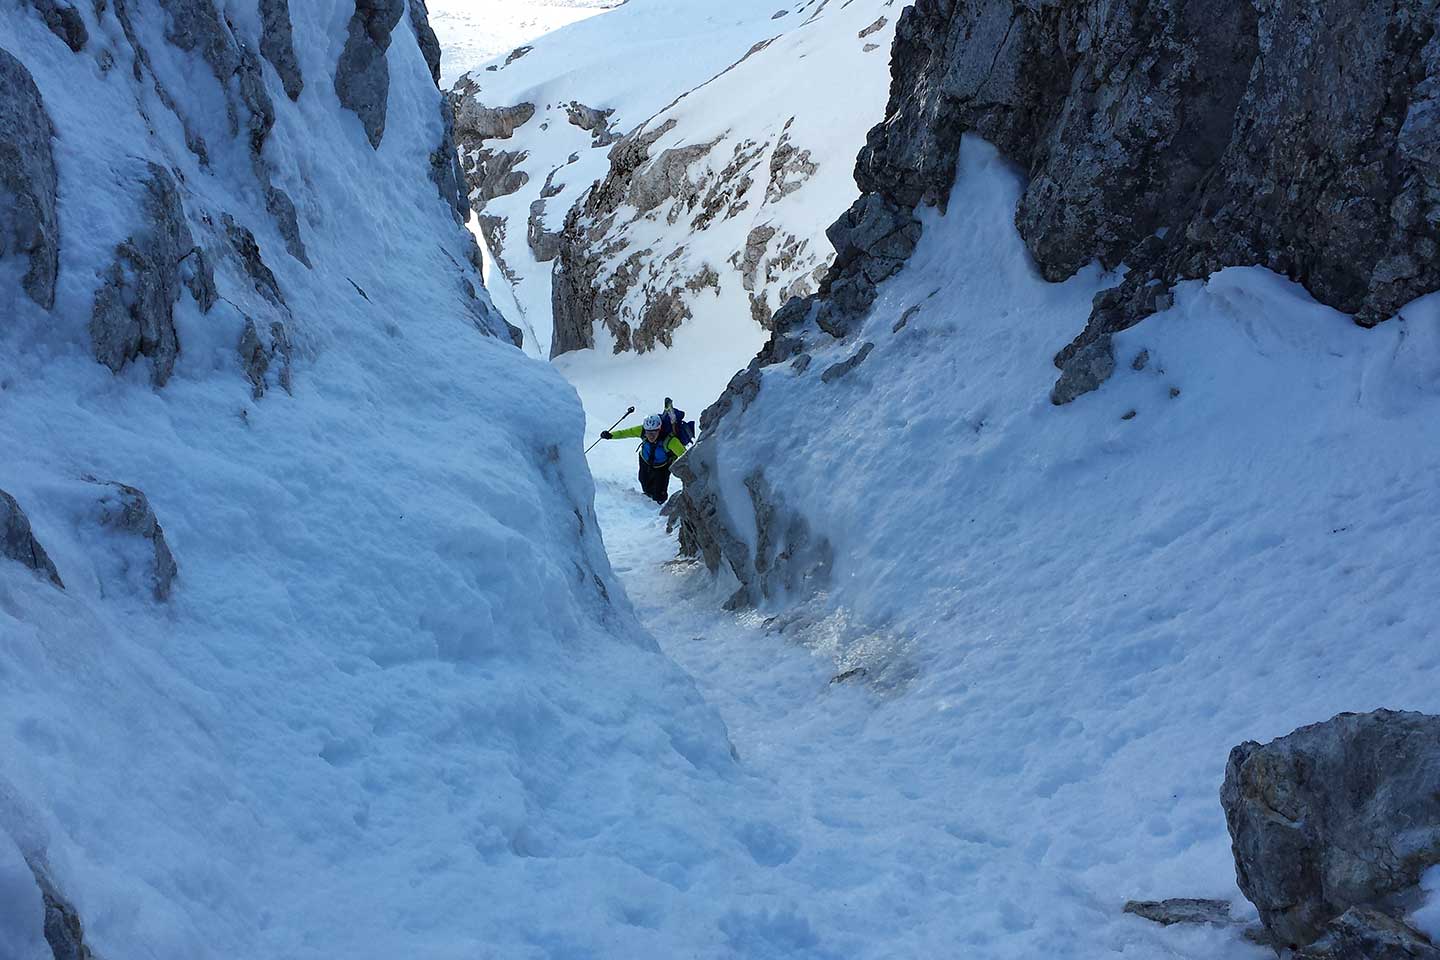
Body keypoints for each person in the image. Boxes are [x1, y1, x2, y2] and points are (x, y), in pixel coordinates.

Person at [600, 411, 689, 503]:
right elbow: (626, 433)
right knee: (643, 480)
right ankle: (648, 498)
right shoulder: (641, 430)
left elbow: (685, 456)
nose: (650, 436)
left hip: (663, 466)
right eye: (648, 432)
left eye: (654, 432)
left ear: (659, 429)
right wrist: (610, 435)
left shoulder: (670, 440)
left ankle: (658, 504)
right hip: (645, 460)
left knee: (659, 491)